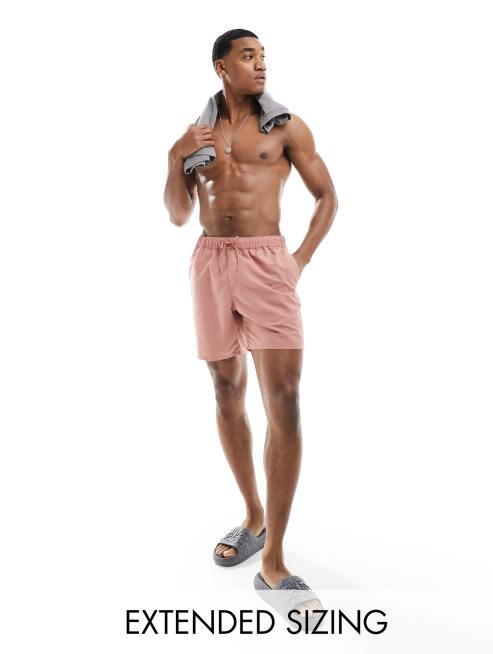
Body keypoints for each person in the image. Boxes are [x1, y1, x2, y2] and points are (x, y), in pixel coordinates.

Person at [164, 28, 338, 611]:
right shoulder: (197, 134)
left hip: (268, 262)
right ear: (222, 67)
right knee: (225, 391)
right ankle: (253, 517)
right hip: (210, 261)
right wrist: (174, 158)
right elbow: (179, 215)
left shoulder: (286, 127)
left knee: (284, 400)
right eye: (248, 56)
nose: (261, 65)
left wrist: (298, 260)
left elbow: (328, 196)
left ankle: (274, 562)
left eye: (264, 56)